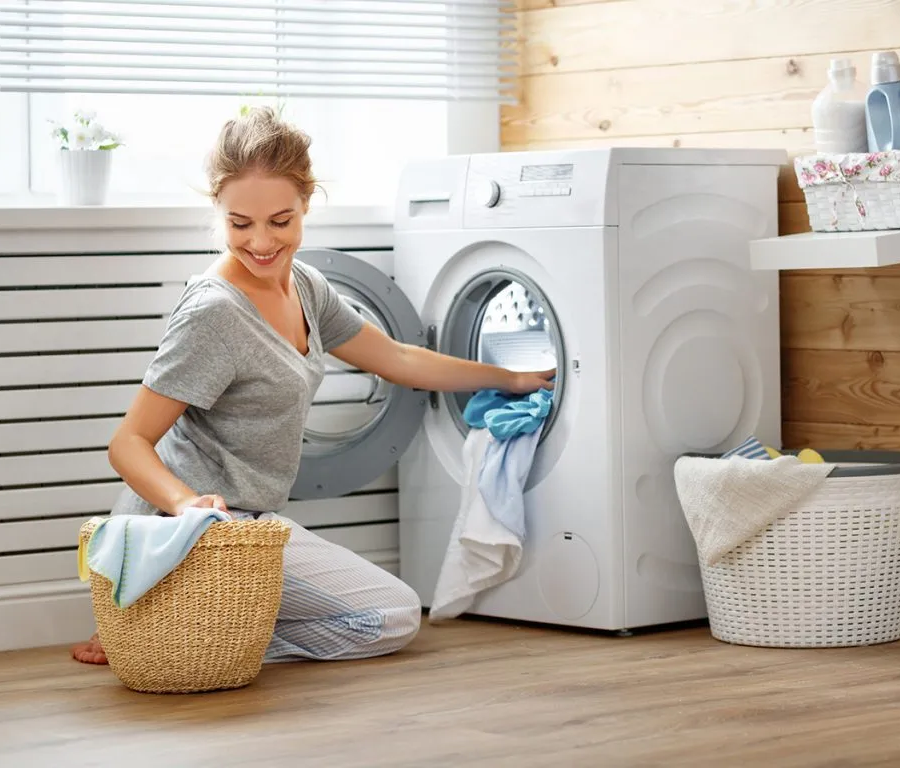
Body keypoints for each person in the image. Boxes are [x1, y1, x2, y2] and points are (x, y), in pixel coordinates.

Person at [71, 107, 554, 666]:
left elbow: (396, 358)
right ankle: (172, 635)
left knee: (386, 614)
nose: (259, 242)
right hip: (187, 532)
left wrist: (511, 377)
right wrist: (186, 505)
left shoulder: (305, 285)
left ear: (306, 204)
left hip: (253, 529)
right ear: (218, 213)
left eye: (280, 221)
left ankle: (178, 637)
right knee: (392, 616)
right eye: (239, 223)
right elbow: (127, 442)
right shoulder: (213, 313)